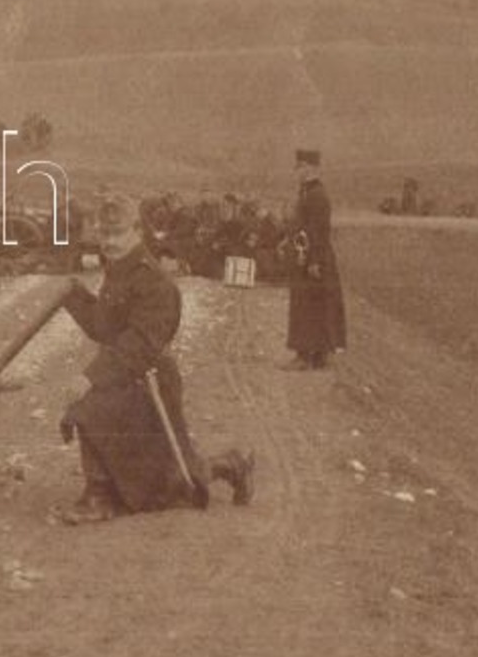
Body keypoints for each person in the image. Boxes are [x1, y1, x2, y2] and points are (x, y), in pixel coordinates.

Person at [56, 193, 254, 524]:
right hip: (127, 376)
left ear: (137, 232)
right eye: (105, 234)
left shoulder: (153, 281)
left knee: (89, 407)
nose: (110, 242)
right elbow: (105, 330)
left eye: (118, 234)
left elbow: (139, 344)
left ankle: (99, 497)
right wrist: (75, 297)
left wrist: (91, 376)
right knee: (170, 478)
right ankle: (233, 463)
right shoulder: (119, 272)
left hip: (150, 382)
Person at [282, 149, 347, 370]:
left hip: (314, 259)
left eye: (300, 167)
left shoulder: (317, 195)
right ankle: (317, 355)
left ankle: (305, 357)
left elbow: (319, 231)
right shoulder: (307, 192)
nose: (297, 172)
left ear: (311, 168)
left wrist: (314, 262)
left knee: (307, 306)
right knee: (315, 306)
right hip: (309, 257)